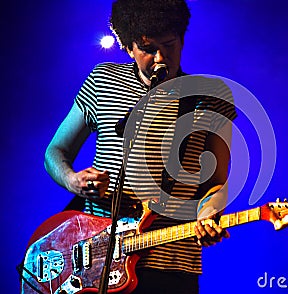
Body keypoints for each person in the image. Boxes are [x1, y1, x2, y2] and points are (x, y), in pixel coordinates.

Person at [44, 0, 236, 293]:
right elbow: (55, 152)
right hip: (96, 264)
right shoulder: (102, 80)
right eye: (147, 48)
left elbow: (217, 182)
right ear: (127, 46)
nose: (160, 57)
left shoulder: (211, 95)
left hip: (170, 264)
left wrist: (209, 212)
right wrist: (74, 180)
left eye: (169, 44)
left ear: (182, 39)